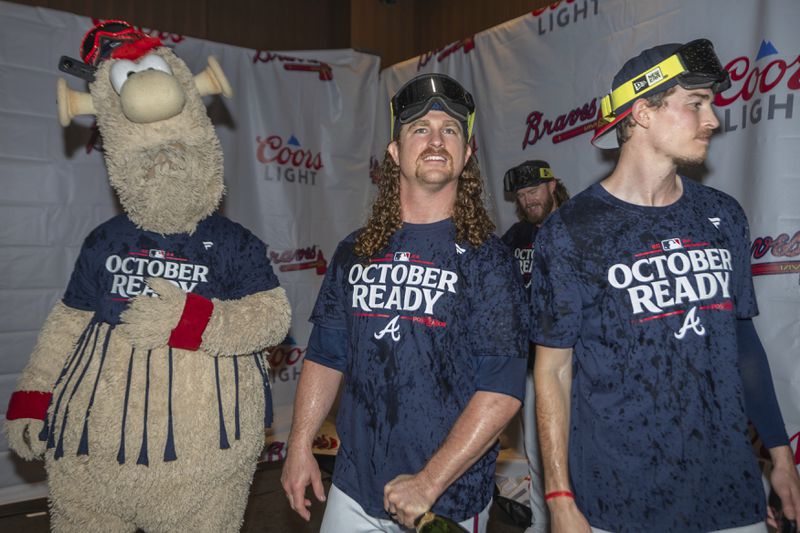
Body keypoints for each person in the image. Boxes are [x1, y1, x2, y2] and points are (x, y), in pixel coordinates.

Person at [531, 38, 800, 533]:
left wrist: (780, 454)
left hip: (729, 495)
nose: (713, 120)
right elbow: (553, 372)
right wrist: (559, 497)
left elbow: (743, 344)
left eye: (711, 105)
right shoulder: (571, 230)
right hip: (617, 501)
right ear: (642, 113)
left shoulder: (722, 215)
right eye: (695, 104)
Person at [281, 73, 528, 532]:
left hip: (445, 502)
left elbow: (501, 393)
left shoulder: (489, 261)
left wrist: (427, 483)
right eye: (420, 129)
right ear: (394, 152)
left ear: (467, 153)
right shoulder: (355, 250)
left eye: (450, 130)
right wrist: (298, 447)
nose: (436, 140)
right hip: (353, 490)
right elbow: (325, 355)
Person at [501, 159, 570, 533]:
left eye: (534, 190)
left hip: (577, 365)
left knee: (577, 449)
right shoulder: (515, 238)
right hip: (530, 365)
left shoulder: (578, 226)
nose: (528, 199)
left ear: (553, 185)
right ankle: (542, 523)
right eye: (522, 194)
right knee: (538, 450)